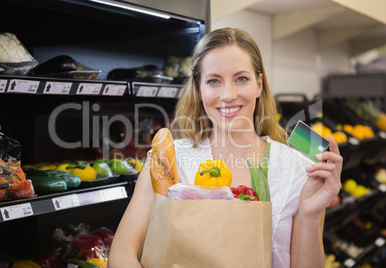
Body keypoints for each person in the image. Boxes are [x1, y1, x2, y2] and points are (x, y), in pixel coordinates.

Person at [107, 27, 343, 268]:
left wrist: (310, 215)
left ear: (259, 84)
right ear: (199, 90)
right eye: (213, 81)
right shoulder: (168, 160)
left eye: (241, 78)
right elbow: (122, 254)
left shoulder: (300, 170)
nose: (228, 95)